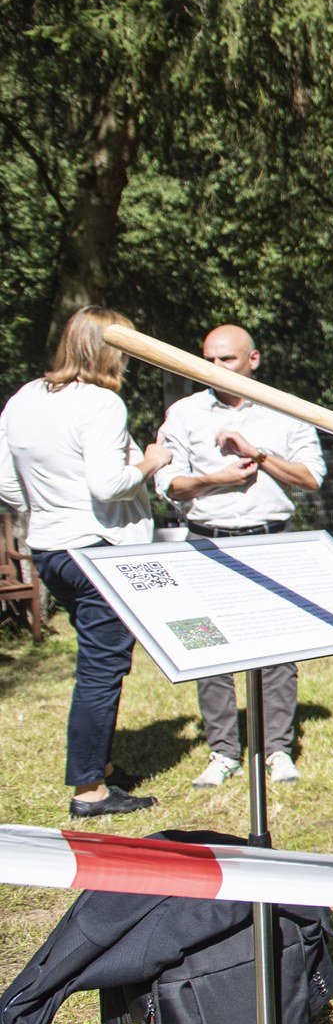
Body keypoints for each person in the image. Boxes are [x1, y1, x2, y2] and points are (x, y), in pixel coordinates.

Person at [0, 307, 169, 817]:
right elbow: (107, 484)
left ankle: (101, 767)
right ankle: (89, 790)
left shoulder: (23, 399)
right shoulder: (101, 403)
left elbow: (8, 486)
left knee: (95, 662)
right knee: (101, 670)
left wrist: (51, 509)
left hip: (50, 550)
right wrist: (151, 461)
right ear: (112, 348)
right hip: (97, 550)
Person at [156, 324, 326, 788]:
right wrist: (220, 478)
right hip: (205, 542)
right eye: (208, 359)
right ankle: (223, 752)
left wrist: (260, 456)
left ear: (253, 360)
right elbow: (168, 484)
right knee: (208, 648)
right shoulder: (185, 413)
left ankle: (277, 749)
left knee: (279, 651)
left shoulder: (285, 409)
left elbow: (312, 477)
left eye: (226, 360)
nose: (215, 368)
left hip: (271, 541)